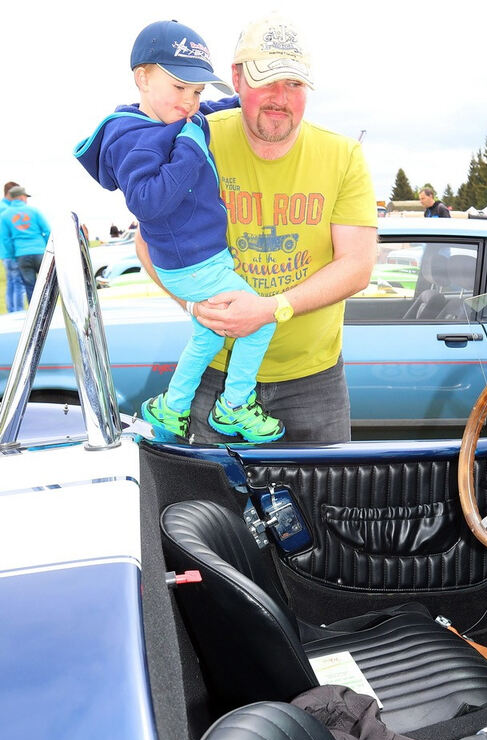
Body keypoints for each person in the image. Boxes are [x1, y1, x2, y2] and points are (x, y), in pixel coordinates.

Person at [136, 13, 378, 444]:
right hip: (215, 373)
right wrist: (193, 307)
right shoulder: (195, 140)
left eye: (294, 84)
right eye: (266, 80)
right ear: (236, 78)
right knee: (211, 510)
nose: (279, 98)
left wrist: (270, 308)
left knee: (325, 507)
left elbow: (357, 265)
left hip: (313, 381)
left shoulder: (343, 155)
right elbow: (147, 243)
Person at [74, 20, 285, 444]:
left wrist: (242, 98)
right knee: (260, 321)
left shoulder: (169, 117)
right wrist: (192, 146)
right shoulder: (129, 137)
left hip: (196, 258)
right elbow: (148, 201)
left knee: (207, 336)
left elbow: (199, 116)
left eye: (198, 91)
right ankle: (233, 407)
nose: (190, 101)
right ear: (142, 78)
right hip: (193, 263)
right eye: (179, 87)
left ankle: (172, 408)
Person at [0, 185, 50, 302]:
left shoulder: (4, 216)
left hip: (21, 255)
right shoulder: (34, 211)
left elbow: (6, 240)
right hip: (40, 253)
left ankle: (36, 317)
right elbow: (47, 231)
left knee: (30, 287)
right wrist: (49, 248)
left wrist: (13, 256)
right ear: (22, 197)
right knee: (47, 284)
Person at [0, 181, 26, 312]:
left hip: (4, 253)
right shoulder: (7, 210)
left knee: (11, 283)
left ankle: (12, 311)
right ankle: (18, 312)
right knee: (18, 283)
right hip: (12, 252)